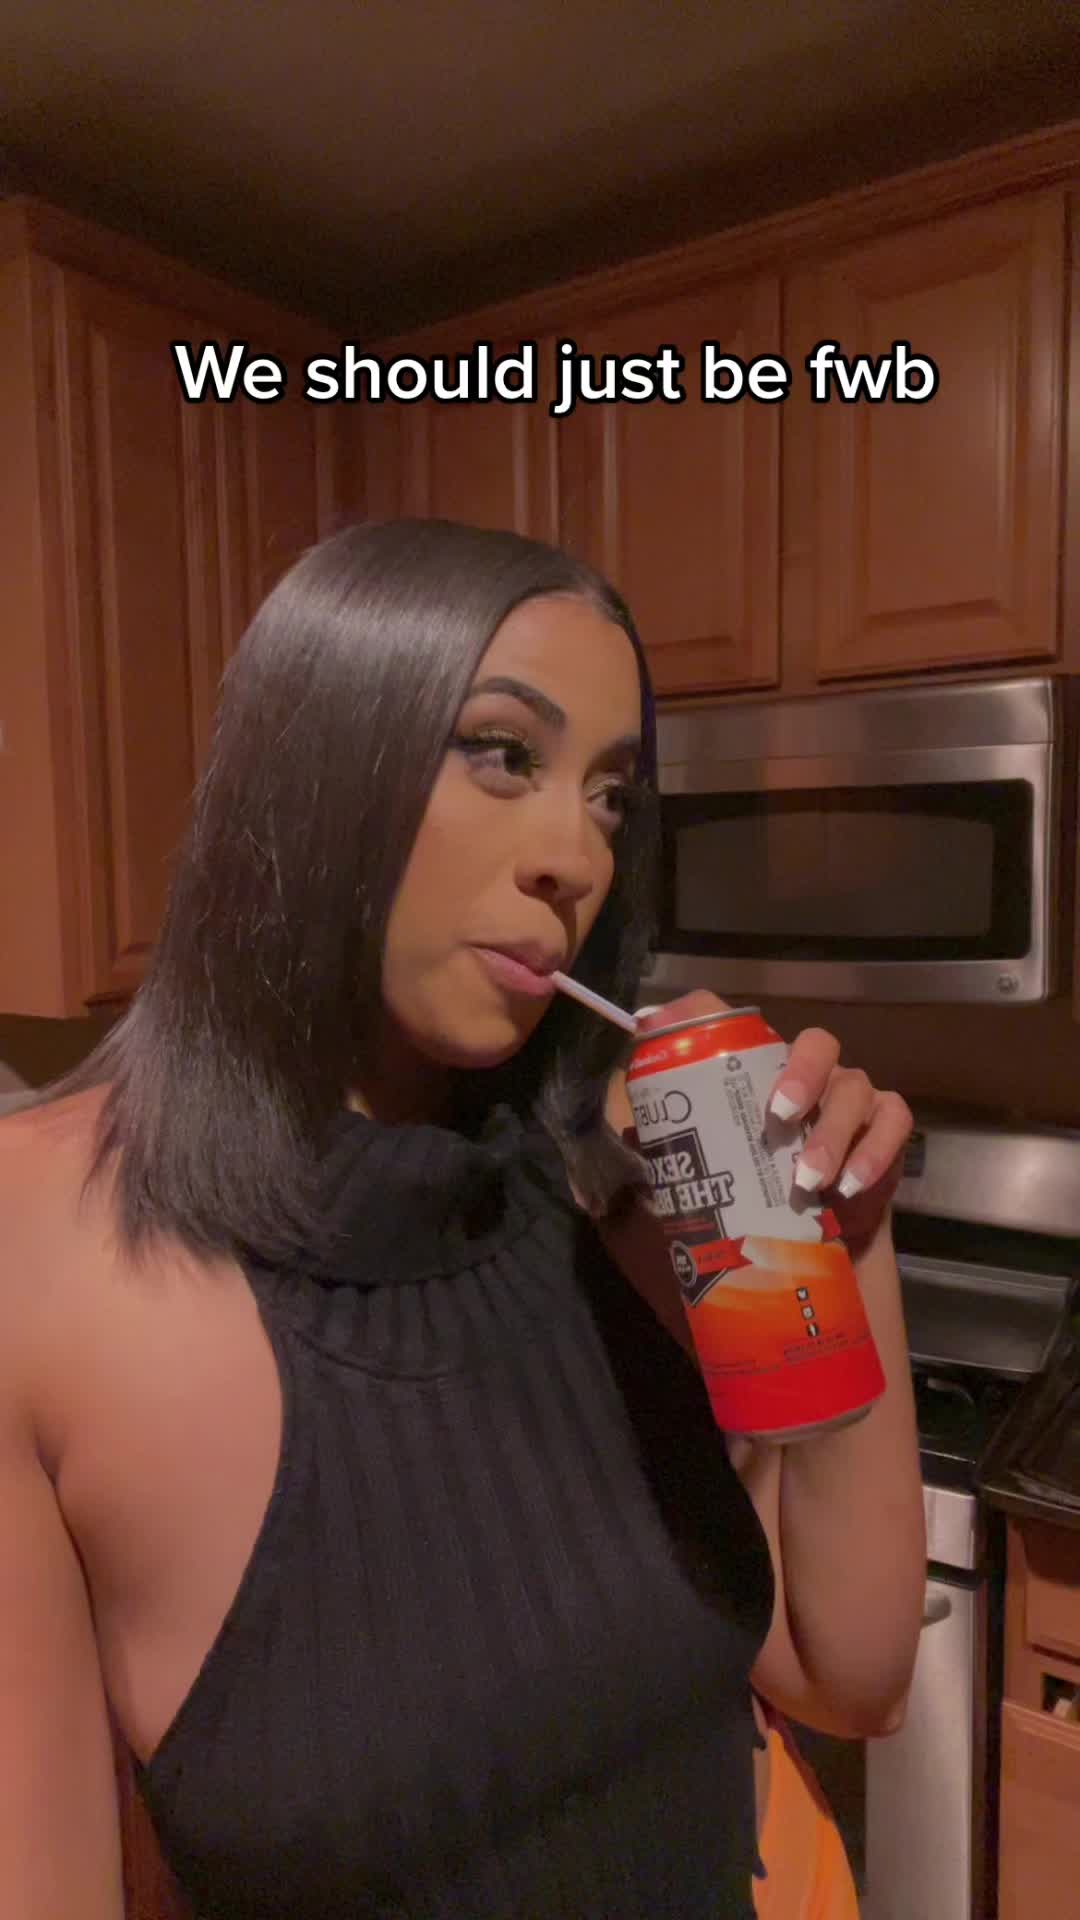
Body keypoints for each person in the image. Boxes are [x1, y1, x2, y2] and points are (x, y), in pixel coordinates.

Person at [0, 519, 925, 1919]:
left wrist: (845, 1234)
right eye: (502, 752)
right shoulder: (42, 1261)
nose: (575, 857)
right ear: (314, 756)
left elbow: (846, 1673)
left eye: (610, 796)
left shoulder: (596, 1202)